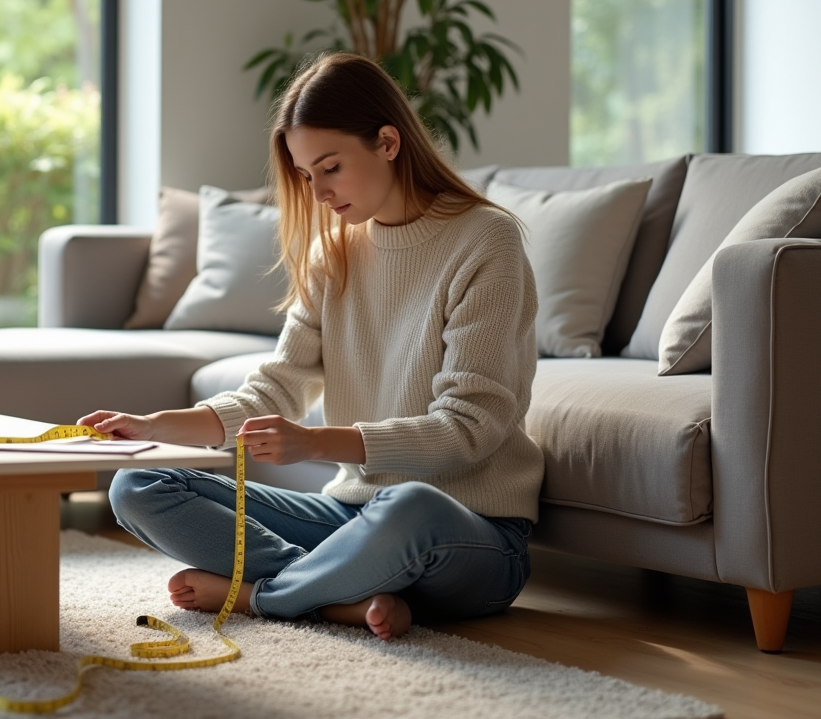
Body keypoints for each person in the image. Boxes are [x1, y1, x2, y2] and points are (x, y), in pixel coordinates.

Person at [78, 52, 543, 641]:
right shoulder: (335, 256)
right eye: (306, 175)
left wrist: (316, 442)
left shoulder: (486, 240)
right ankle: (341, 596)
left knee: (409, 506)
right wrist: (154, 426)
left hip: (469, 534)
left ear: (388, 142)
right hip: (352, 516)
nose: (318, 192)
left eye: (330, 167)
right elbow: (276, 388)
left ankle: (265, 597)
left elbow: (469, 429)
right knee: (139, 485)